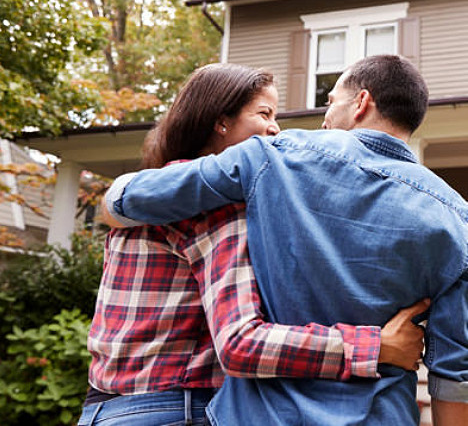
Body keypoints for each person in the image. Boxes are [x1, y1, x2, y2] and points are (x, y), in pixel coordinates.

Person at [103, 55, 468, 426]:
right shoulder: (457, 218)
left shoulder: (273, 158)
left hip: (264, 416)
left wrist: (112, 202)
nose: (324, 118)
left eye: (330, 102)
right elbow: (455, 374)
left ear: (361, 103)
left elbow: (131, 198)